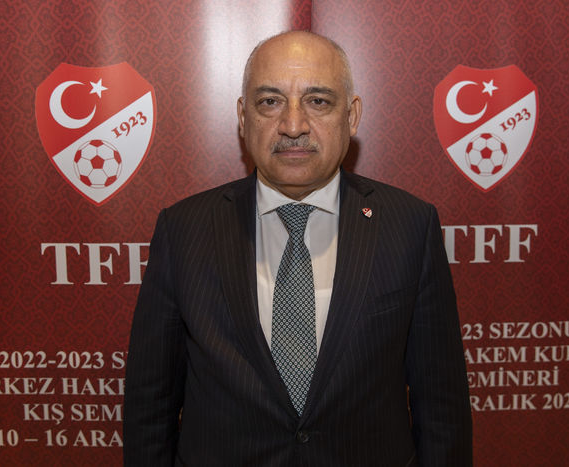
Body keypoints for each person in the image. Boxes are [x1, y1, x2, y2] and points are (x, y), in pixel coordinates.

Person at [124, 30, 472, 466]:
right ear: (243, 117)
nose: (293, 125)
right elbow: (150, 406)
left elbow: (442, 409)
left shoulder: (409, 225)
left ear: (352, 116)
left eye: (318, 101)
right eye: (270, 102)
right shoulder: (183, 230)